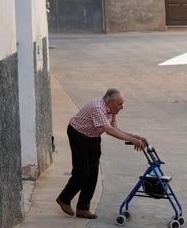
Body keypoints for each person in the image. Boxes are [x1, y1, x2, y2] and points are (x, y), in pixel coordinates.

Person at [55, 87, 148, 220]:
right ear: (110, 102)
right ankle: (64, 198)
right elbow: (108, 130)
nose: (122, 107)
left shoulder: (111, 110)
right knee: (82, 172)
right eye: (120, 104)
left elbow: (114, 128)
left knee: (93, 173)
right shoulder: (97, 107)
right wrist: (133, 140)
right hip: (78, 135)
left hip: (93, 137)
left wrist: (135, 137)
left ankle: (83, 208)